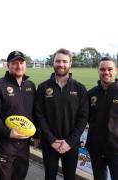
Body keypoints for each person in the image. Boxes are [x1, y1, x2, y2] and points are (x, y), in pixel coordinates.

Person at [35, 48, 88, 180]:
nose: (61, 64)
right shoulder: (43, 87)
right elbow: (39, 115)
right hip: (50, 144)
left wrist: (69, 142)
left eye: (65, 61)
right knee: (49, 176)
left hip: (71, 144)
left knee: (70, 177)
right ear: (53, 63)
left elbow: (83, 118)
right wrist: (51, 140)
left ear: (70, 63)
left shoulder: (79, 88)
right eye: (58, 61)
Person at [0, 50, 36, 180]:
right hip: (5, 144)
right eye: (14, 63)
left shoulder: (30, 86)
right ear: (8, 65)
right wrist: (8, 132)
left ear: (25, 65)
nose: (19, 66)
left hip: (24, 144)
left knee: (20, 176)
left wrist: (36, 136)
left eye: (21, 62)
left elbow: (33, 113)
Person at [86, 57, 118, 180]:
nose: (106, 72)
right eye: (102, 69)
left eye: (110, 69)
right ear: (98, 71)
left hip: (116, 150)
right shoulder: (91, 93)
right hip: (96, 149)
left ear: (115, 70)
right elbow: (86, 118)